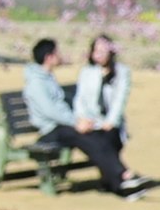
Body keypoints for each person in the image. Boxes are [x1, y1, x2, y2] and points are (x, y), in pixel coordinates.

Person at [22, 34, 143, 195]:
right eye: (58, 53)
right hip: (50, 130)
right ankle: (123, 174)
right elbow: (50, 111)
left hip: (62, 127)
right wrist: (76, 122)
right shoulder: (37, 82)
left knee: (100, 136)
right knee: (85, 136)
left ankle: (117, 182)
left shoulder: (46, 78)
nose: (61, 55)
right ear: (49, 57)